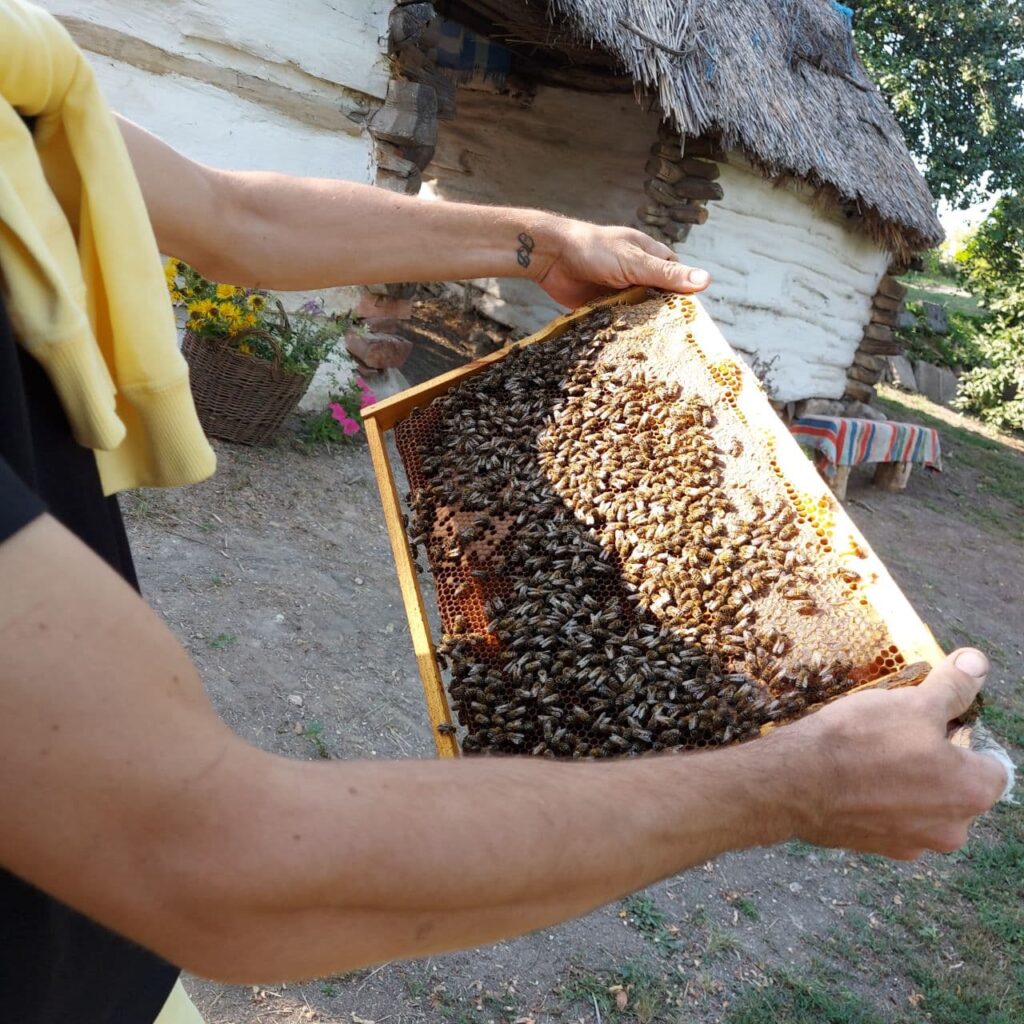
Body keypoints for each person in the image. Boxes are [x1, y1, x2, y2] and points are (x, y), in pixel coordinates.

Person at [0, 4, 1008, 1022]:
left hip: (85, 941)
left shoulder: (13, 77)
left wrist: (537, 240)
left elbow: (228, 214)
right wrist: (792, 783)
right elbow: (209, 856)